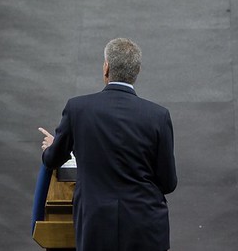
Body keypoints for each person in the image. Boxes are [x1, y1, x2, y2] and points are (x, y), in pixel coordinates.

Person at [39, 38, 177, 251]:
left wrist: (52, 146)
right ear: (137, 70)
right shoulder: (158, 116)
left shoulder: (78, 109)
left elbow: (53, 159)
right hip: (146, 227)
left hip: (95, 225)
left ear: (106, 68)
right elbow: (168, 183)